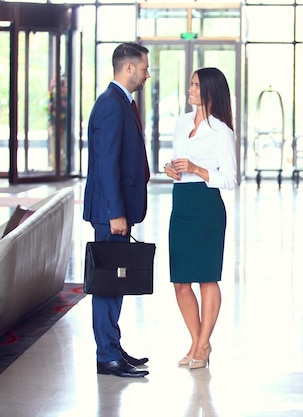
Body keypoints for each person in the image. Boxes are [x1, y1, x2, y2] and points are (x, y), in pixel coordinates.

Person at [83, 42, 151, 378]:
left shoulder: (121, 103)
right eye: (144, 68)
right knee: (108, 283)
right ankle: (107, 355)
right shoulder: (111, 105)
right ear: (128, 68)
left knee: (116, 281)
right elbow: (107, 163)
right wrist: (115, 212)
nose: (146, 74)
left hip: (117, 209)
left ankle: (112, 347)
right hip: (111, 213)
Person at [164, 67, 237, 369]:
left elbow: (231, 179)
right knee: (180, 281)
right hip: (180, 204)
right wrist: (171, 168)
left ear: (209, 91)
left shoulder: (222, 132)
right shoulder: (182, 123)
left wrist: (197, 169)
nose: (190, 88)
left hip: (206, 206)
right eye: (191, 84)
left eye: (195, 85)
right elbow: (178, 161)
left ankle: (202, 344)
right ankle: (197, 341)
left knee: (207, 277)